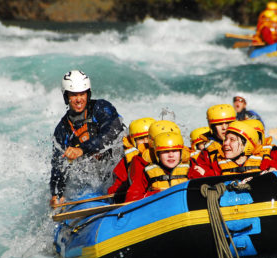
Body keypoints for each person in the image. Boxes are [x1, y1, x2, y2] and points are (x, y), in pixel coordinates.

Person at [50, 70, 124, 207]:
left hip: (118, 167)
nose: (79, 99)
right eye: (73, 95)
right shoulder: (62, 130)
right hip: (95, 180)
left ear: (88, 94)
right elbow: (57, 166)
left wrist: (82, 149)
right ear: (66, 97)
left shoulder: (101, 108)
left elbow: (113, 131)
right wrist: (56, 194)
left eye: (82, 94)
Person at [125, 132, 190, 202]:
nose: (171, 155)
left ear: (181, 153)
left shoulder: (190, 168)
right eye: (165, 151)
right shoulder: (147, 172)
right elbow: (131, 198)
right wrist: (157, 194)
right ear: (157, 155)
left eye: (175, 151)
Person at [107, 117, 155, 201]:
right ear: (133, 141)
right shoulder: (126, 162)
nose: (146, 141)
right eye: (140, 138)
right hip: (139, 198)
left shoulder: (168, 155)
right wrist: (123, 187)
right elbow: (115, 188)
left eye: (148, 137)